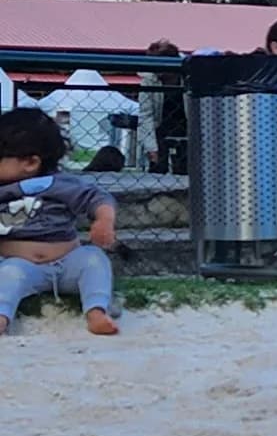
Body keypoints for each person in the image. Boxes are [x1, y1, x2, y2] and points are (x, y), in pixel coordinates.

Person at [0, 107, 119, 336]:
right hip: (20, 265)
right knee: (8, 276)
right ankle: (3, 317)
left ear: (30, 162)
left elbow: (98, 198)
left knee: (94, 260)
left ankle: (96, 312)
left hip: (68, 263)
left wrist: (104, 220)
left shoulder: (63, 184)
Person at [139, 37, 190, 173]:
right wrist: (150, 147)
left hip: (189, 129)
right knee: (157, 169)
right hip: (160, 129)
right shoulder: (148, 80)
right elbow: (145, 115)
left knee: (186, 170)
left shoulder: (191, 77)